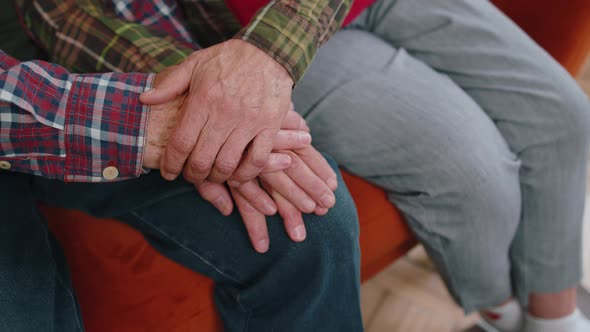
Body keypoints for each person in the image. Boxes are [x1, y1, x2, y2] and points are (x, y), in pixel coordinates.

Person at [10, 0, 590, 331]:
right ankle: (502, 313)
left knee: (568, 115)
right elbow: (71, 16)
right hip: (243, 31)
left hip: (298, 21)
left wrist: (265, 57)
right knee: (471, 174)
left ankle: (554, 317)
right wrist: (203, 105)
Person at [0, 11, 364, 332]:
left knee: (312, 222)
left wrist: (234, 85)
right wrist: (142, 123)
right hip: (40, 107)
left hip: (84, 80)